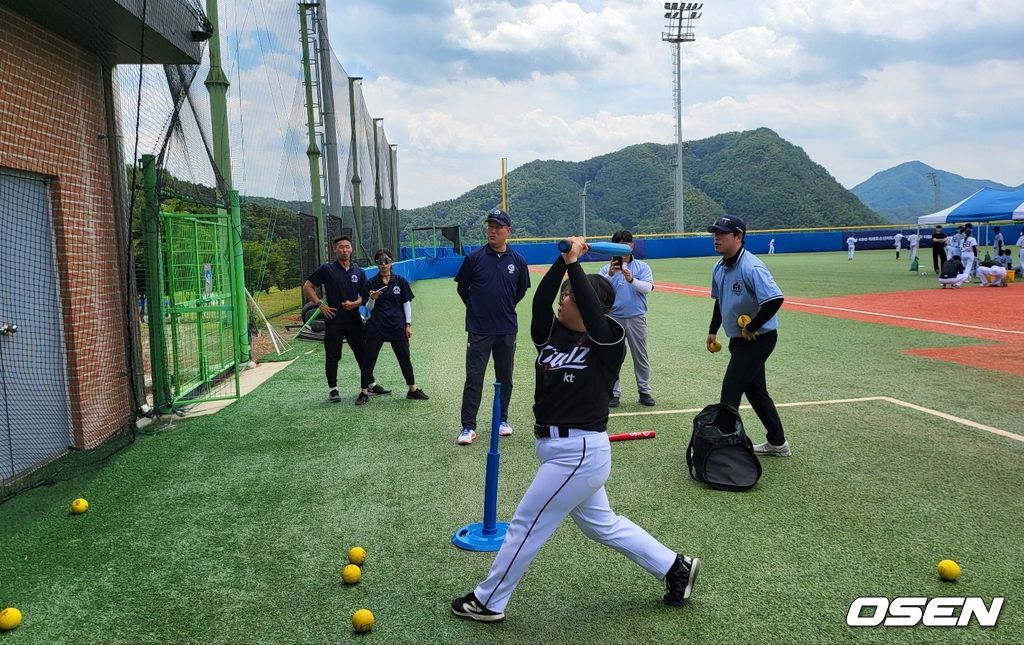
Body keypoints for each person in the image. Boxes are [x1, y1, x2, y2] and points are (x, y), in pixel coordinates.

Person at [450, 237, 700, 623]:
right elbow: (537, 301)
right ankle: (676, 568)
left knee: (525, 525)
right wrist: (561, 261)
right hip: (559, 449)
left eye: (569, 295)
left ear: (590, 306)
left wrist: (575, 267)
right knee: (604, 526)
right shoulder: (552, 333)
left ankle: (489, 600)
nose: (561, 300)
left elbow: (585, 300)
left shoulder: (609, 338)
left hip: (579, 452)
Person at [705, 216, 789, 457]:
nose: (716, 237)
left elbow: (774, 300)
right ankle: (778, 442)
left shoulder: (751, 267)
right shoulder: (719, 267)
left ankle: (724, 448)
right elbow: (720, 301)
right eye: (715, 233)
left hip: (759, 339)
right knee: (755, 391)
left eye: (722, 233)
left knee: (730, 389)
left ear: (739, 237)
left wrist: (752, 326)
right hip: (738, 339)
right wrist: (713, 330)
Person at [454, 208, 530, 445]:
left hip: (507, 329)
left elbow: (519, 291)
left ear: (508, 231)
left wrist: (503, 307)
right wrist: (478, 309)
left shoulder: (517, 261)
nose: (492, 230)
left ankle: (502, 420)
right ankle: (468, 427)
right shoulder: (474, 258)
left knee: (504, 376)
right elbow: (462, 289)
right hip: (479, 330)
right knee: (474, 378)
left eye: (498, 227)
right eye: (490, 226)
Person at [303, 236, 389, 404]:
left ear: (351, 249)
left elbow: (365, 296)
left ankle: (370, 384)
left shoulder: (359, 271)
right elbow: (308, 286)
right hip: (333, 319)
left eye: (347, 247)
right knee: (333, 355)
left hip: (354, 319)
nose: (344, 250)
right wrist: (320, 304)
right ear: (335, 250)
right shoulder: (327, 269)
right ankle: (333, 389)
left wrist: (354, 304)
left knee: (362, 353)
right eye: (341, 247)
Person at [359, 249, 429, 401]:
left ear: (392, 262)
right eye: (379, 262)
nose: (383, 265)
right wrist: (372, 299)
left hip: (397, 325)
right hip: (376, 326)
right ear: (376, 264)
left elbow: (406, 303)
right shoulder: (371, 283)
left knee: (405, 358)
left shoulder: (400, 281)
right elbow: (368, 308)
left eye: (386, 261)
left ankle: (412, 390)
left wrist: (408, 324)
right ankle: (364, 392)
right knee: (368, 359)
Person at [598, 230, 655, 407]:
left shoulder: (642, 267)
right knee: (613, 357)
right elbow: (598, 290)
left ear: (632, 246)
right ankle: (613, 393)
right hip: (613, 318)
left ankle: (644, 391)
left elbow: (647, 288)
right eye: (619, 244)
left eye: (626, 244)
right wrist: (610, 275)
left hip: (636, 317)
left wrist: (631, 279)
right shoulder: (606, 269)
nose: (623, 248)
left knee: (640, 356)